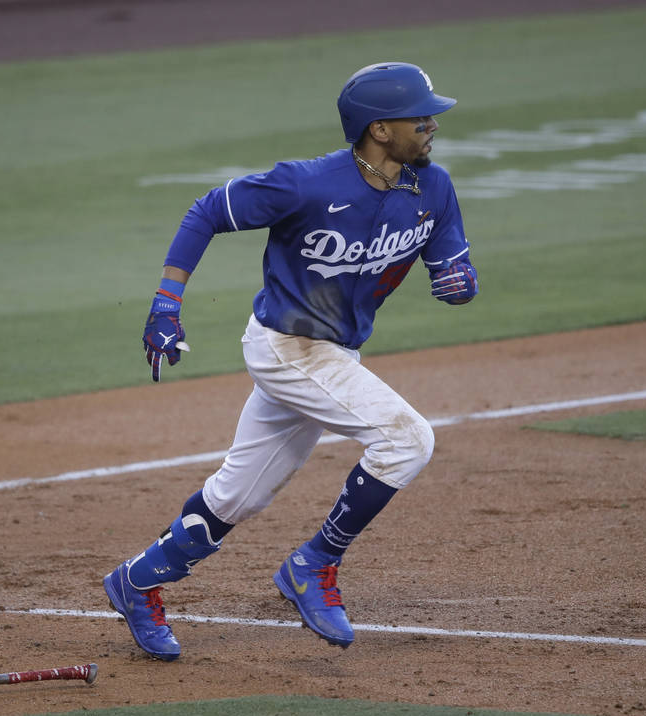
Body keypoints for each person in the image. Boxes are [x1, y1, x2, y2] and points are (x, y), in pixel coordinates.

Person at [103, 62, 479, 660]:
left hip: (334, 350)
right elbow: (206, 212)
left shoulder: (430, 185)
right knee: (407, 439)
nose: (433, 124)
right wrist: (166, 304)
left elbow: (448, 248)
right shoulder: (306, 184)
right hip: (288, 346)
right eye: (420, 116)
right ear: (380, 129)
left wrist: (457, 275)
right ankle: (314, 562)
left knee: (238, 497)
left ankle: (136, 581)